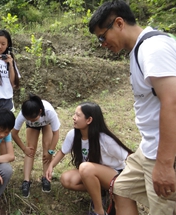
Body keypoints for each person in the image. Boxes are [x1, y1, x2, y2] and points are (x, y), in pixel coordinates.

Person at [88, 1, 176, 214]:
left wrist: (164, 164)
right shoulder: (139, 50)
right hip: (148, 148)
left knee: (162, 208)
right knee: (121, 188)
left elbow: (171, 101)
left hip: (162, 154)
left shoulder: (152, 49)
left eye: (102, 37)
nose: (102, 44)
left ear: (119, 23)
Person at [46, 102, 133, 215]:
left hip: (115, 176)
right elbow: (62, 151)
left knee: (85, 168)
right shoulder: (73, 135)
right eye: (74, 114)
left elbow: (129, 157)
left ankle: (98, 211)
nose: (74, 117)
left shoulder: (105, 139)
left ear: (89, 120)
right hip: (93, 174)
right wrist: (50, 166)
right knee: (66, 179)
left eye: (78, 115)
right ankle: (101, 193)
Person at [11, 93, 60, 198]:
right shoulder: (23, 114)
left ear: (40, 112)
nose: (31, 121)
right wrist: (24, 149)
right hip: (32, 127)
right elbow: (14, 133)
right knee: (30, 149)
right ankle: (26, 181)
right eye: (28, 119)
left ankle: (46, 178)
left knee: (47, 147)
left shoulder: (49, 112)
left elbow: (56, 134)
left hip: (47, 123)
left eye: (33, 119)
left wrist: (51, 151)